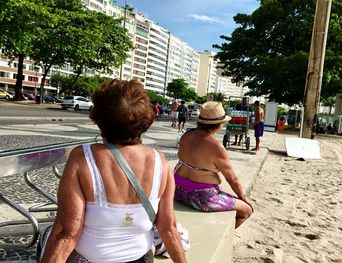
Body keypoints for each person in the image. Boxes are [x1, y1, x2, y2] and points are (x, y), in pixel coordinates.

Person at [40, 79, 186, 263]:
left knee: (47, 233)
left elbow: (66, 232)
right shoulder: (159, 161)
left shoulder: (83, 157)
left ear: (99, 118)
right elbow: (168, 228)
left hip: (89, 259)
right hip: (140, 258)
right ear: (146, 120)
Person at [173, 101, 254, 229]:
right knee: (247, 211)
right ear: (219, 124)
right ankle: (222, 235)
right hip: (201, 197)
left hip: (177, 189)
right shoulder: (216, 146)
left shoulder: (186, 135)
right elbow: (232, 179)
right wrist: (243, 197)